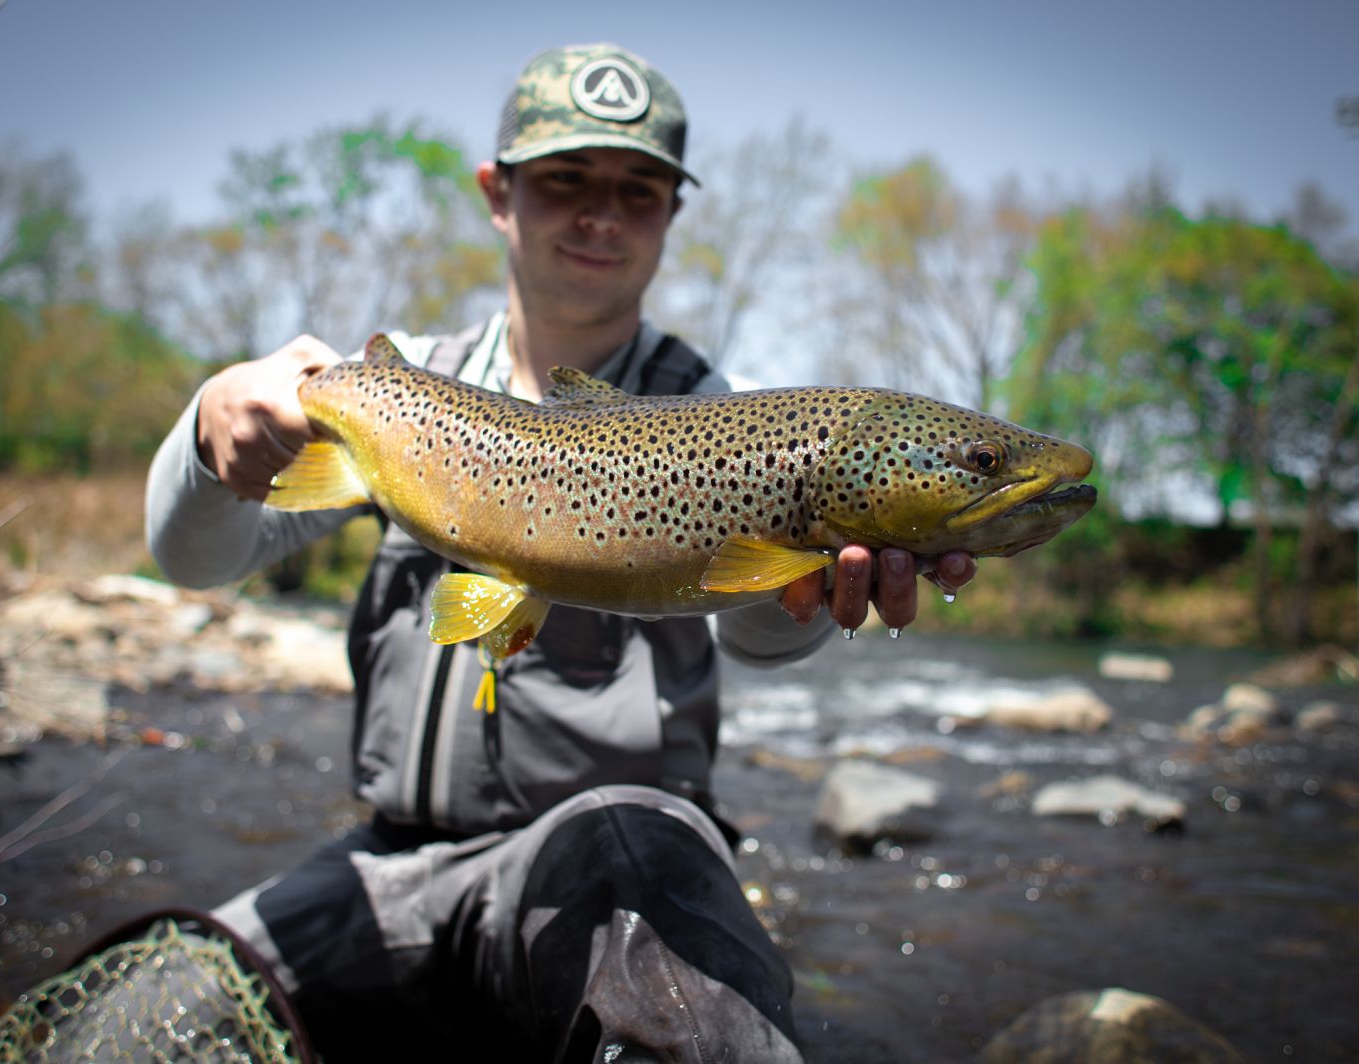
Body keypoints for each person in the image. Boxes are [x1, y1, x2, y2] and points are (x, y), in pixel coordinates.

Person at [146, 42, 976, 1062]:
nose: (601, 214)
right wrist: (211, 425)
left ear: (673, 211)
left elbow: (752, 634)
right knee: (158, 1016)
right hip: (389, 862)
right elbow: (193, 561)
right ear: (499, 194)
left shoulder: (720, 412)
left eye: (638, 190)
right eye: (565, 181)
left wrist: (808, 585)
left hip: (612, 863)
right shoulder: (399, 395)